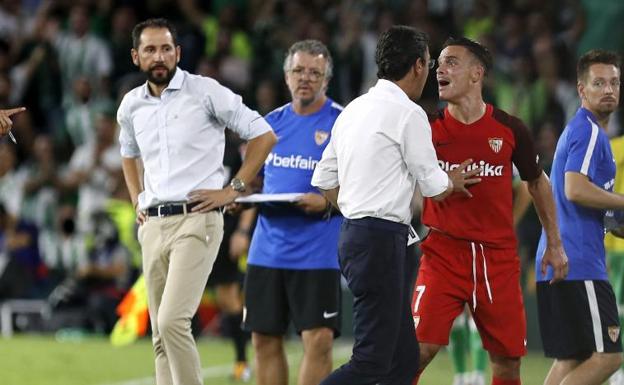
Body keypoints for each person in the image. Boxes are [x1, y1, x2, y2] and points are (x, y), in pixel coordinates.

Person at [312, 26, 480, 385]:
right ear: (419, 65)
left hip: (357, 235)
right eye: (430, 63)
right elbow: (434, 186)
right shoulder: (409, 113)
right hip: (380, 240)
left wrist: (357, 209)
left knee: (403, 360)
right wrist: (453, 180)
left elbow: (324, 178)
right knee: (371, 361)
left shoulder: (354, 110)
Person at [117, 18, 276, 385]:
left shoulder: (205, 91)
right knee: (159, 335)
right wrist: (136, 198)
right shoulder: (131, 105)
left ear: (178, 52)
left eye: (166, 48)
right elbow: (128, 153)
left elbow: (263, 135)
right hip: (153, 224)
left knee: (173, 321)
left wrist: (234, 188)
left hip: (197, 219)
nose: (159, 56)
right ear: (136, 56)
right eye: (150, 49)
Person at [411, 37, 568, 385]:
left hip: (496, 258)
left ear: (476, 73)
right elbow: (404, 182)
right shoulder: (425, 127)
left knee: (508, 363)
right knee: (416, 352)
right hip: (443, 254)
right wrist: (440, 180)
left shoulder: (509, 128)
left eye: (451, 62)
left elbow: (538, 183)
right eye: (438, 63)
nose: (440, 68)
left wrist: (555, 243)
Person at [242, 39, 343, 385]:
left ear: (326, 80)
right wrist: (240, 203)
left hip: (317, 254)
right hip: (267, 251)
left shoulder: (343, 125)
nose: (306, 78)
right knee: (263, 339)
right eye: (299, 71)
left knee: (319, 341)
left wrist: (328, 202)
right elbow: (252, 181)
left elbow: (366, 188)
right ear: (287, 77)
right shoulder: (267, 126)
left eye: (315, 73)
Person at [535, 49, 624, 385]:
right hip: (579, 261)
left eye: (614, 82)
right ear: (582, 89)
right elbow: (575, 189)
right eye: (599, 82)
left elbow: (590, 205)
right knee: (608, 358)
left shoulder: (582, 131)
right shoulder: (589, 131)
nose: (609, 89)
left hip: (564, 258)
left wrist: (616, 220)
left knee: (573, 357)